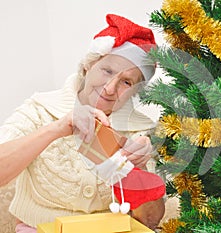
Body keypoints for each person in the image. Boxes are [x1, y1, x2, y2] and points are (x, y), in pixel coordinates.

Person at [0, 14, 165, 233]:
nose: (109, 88)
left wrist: (140, 169)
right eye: (107, 71)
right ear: (88, 66)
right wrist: (57, 128)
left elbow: (150, 221)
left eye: (126, 82)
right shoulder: (40, 109)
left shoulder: (140, 131)